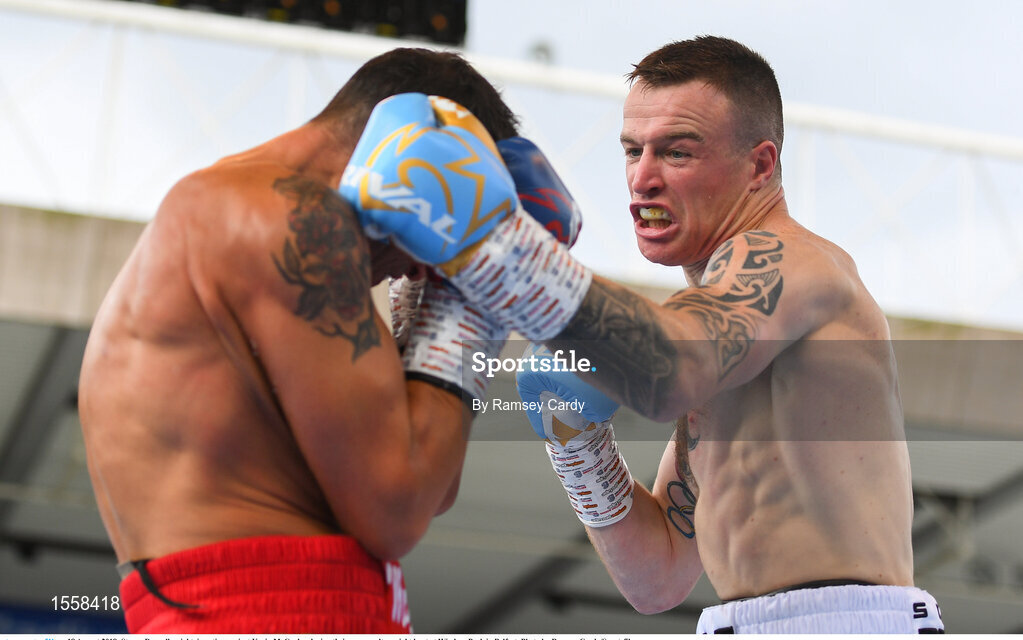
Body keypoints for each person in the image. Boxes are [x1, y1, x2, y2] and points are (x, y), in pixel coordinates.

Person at [341, 36, 944, 633]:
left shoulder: (789, 262)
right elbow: (656, 578)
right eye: (633, 150)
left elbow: (664, 367)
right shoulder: (718, 333)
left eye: (677, 152)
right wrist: (576, 443)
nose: (644, 177)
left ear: (760, 164)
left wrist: (496, 244)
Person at [77, 47, 580, 634]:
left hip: (261, 604)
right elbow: (397, 508)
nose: (423, 265)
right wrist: (469, 302)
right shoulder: (286, 217)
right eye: (453, 211)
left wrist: (436, 310)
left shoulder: (245, 214)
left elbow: (431, 483)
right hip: (271, 607)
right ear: (415, 159)